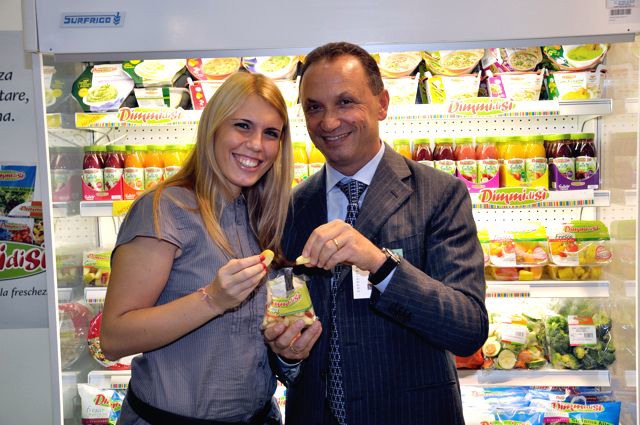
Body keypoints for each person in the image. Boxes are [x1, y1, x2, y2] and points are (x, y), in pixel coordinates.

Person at [263, 42, 489, 425]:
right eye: (314, 107)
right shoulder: (289, 208)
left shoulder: (438, 194)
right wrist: (286, 354)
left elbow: (467, 329)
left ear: (382, 103)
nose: (329, 122)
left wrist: (380, 264)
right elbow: (283, 325)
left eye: (346, 102)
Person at [100, 71, 313, 425]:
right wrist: (212, 299)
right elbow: (114, 338)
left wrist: (287, 350)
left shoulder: (262, 216)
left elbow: (250, 344)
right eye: (242, 126)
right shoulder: (164, 209)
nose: (257, 145)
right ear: (213, 127)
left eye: (271, 133)